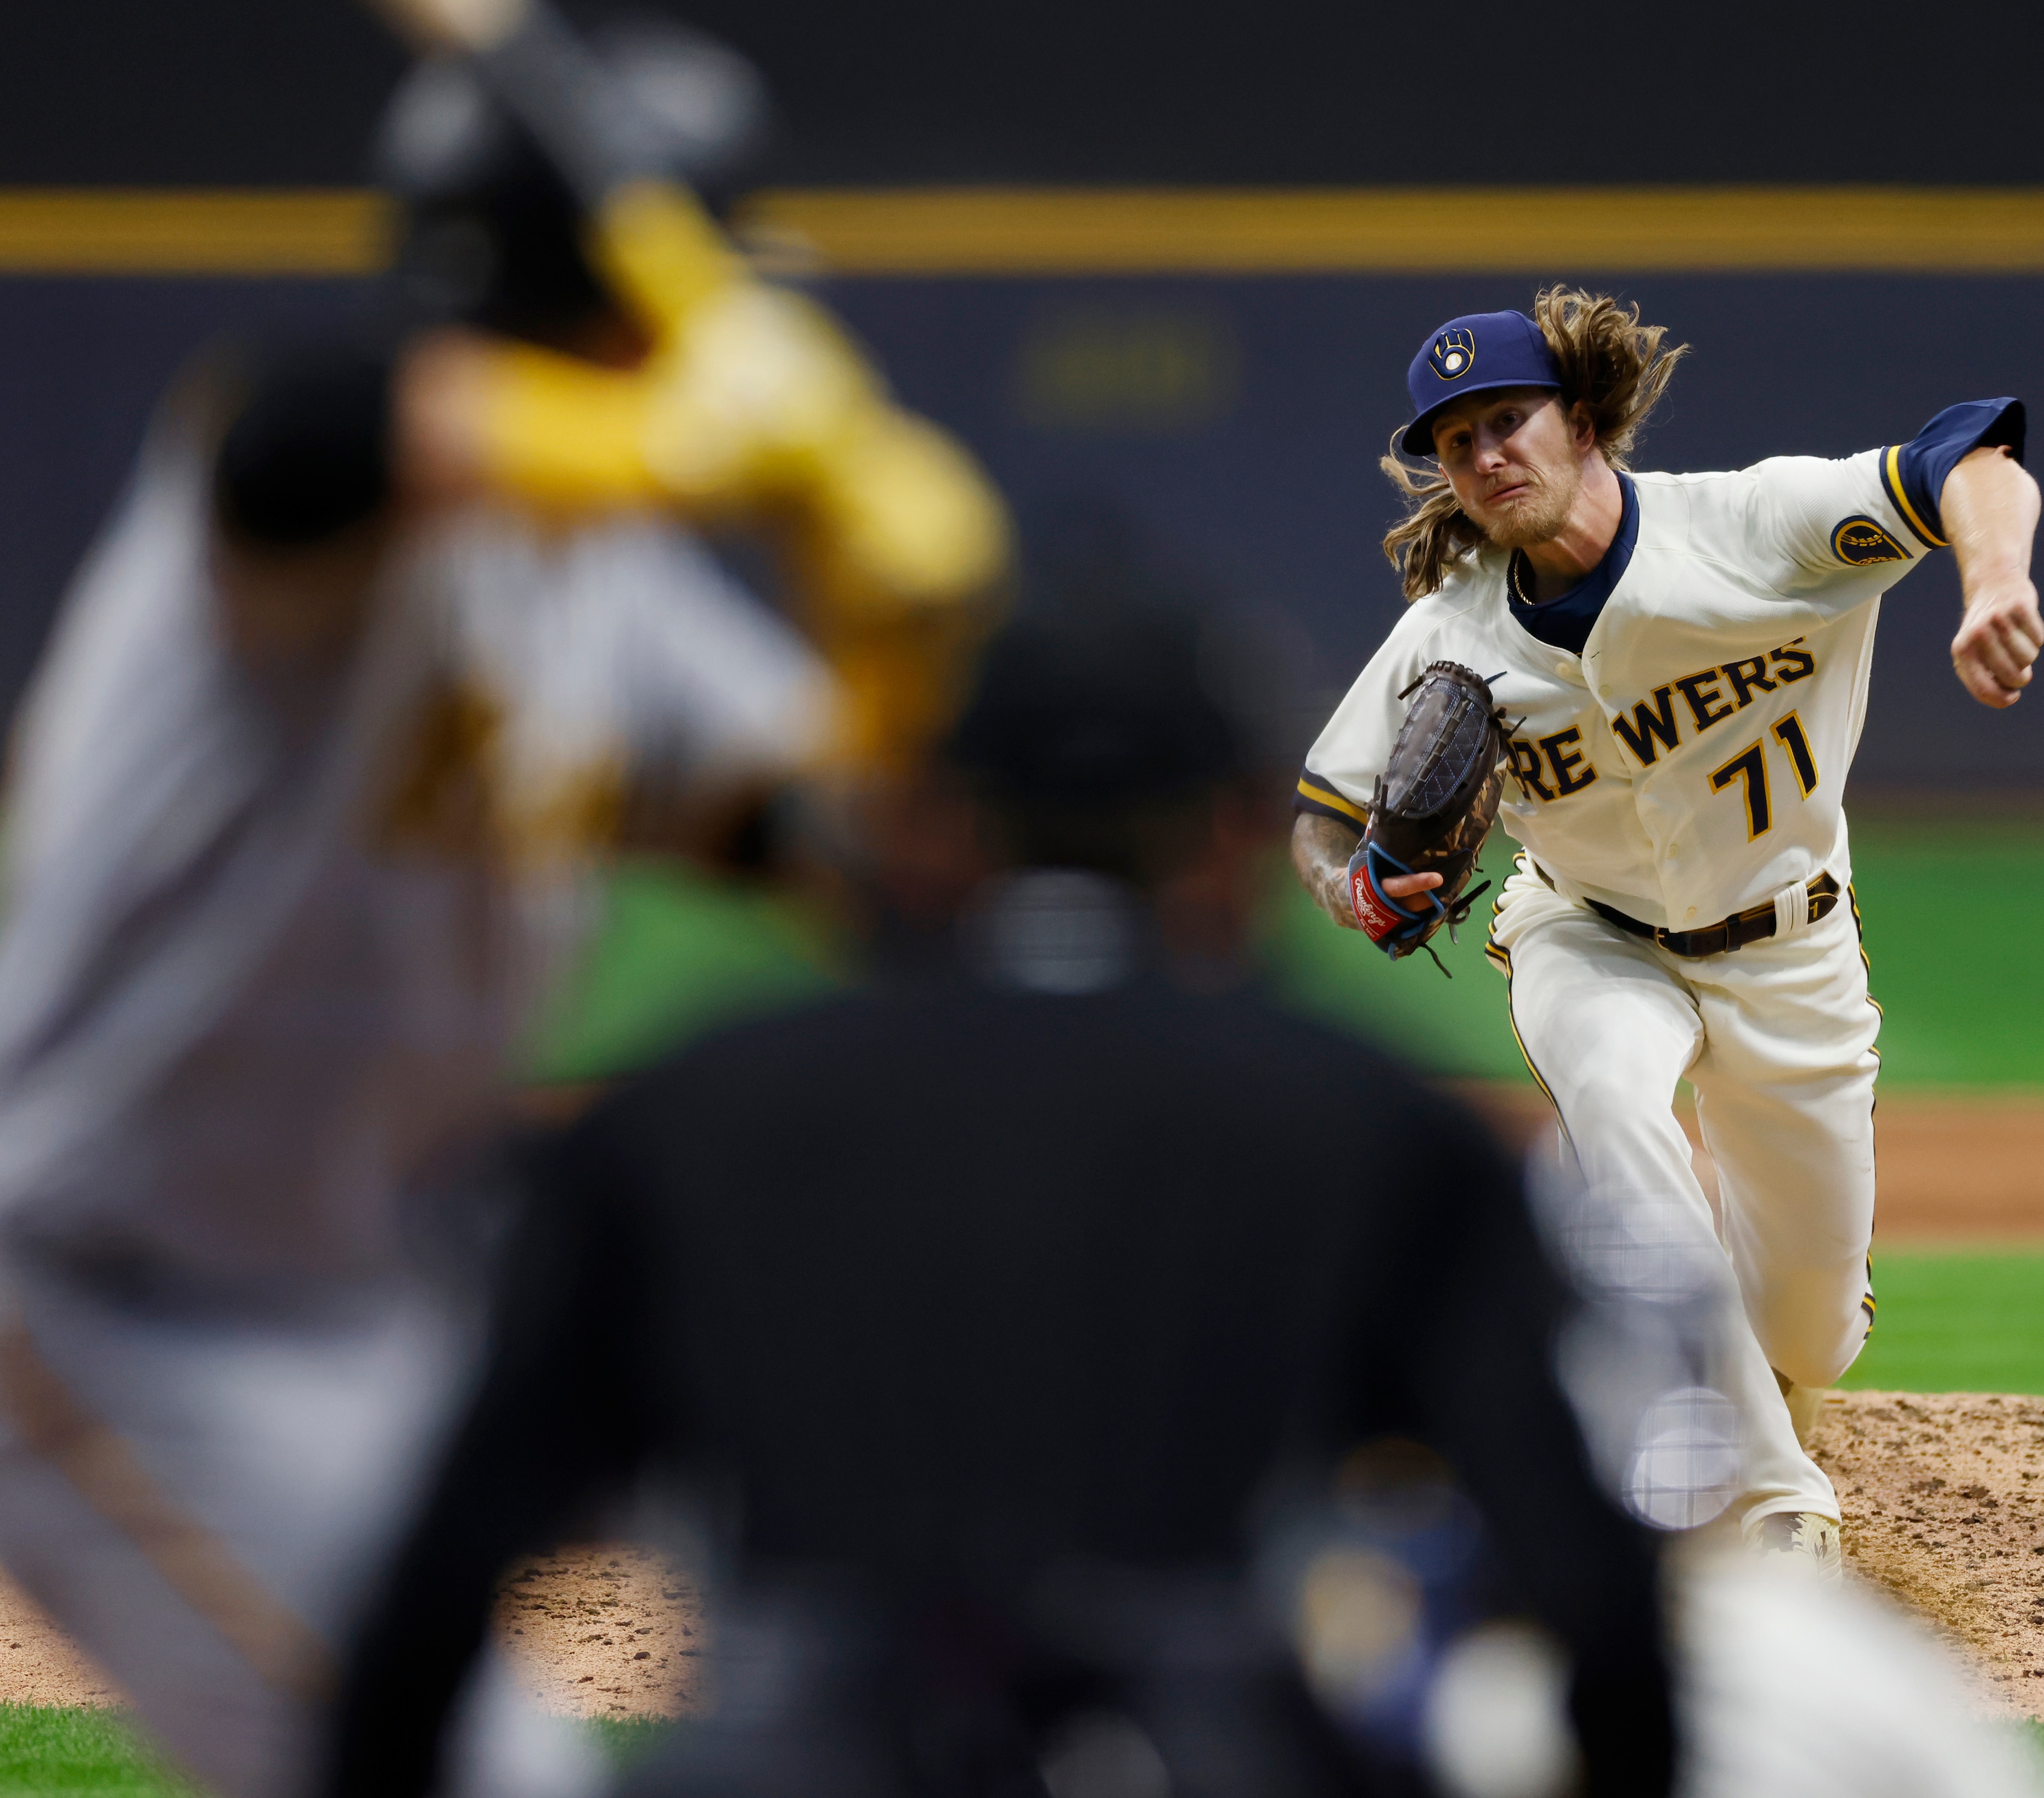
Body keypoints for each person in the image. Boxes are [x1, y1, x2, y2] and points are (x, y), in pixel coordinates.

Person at [0, 18, 1006, 1798]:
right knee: (447, 1765)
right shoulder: (292, 507)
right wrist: (700, 435)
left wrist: (889, 629)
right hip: (90, 1283)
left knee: (526, 1751)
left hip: (373, 1294)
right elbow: (311, 439)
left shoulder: (604, 588)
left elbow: (856, 869)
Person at [319, 610, 1679, 1798]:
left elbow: (437, 1578)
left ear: (921, 819)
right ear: (1228, 833)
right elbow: (1597, 1602)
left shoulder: (687, 1104)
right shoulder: (1382, 1121)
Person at [1289, 290, 2044, 1575]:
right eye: (1454, 440)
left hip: (1788, 948)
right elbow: (1320, 814)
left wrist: (1994, 581)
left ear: (1583, 419)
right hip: (1587, 933)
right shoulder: (1447, 632)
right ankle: (1771, 1501)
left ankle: (1768, 1387)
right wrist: (1348, 887)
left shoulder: (1754, 527)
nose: (1481, 456)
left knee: (1811, 1334)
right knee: (1615, 1106)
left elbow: (1972, 455)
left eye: (1505, 419)